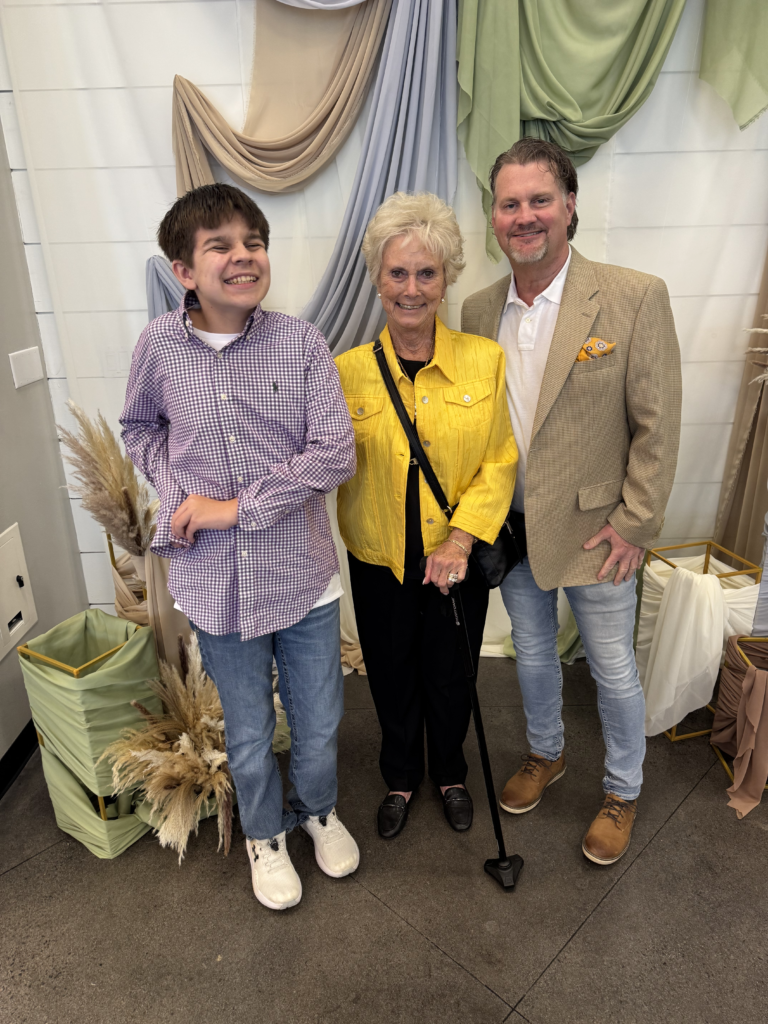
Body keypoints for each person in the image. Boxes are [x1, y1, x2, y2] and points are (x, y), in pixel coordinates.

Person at [120, 183, 359, 911]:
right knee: (250, 730)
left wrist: (231, 509)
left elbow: (335, 453)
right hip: (214, 582)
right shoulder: (158, 347)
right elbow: (139, 429)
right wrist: (177, 490)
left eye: (253, 242)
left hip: (302, 575)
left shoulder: (301, 341)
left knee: (319, 724)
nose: (243, 256)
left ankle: (317, 809)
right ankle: (264, 834)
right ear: (183, 270)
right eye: (220, 246)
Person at [462, 139, 682, 865]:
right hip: (514, 530)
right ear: (494, 216)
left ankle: (622, 790)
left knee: (611, 666)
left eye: (539, 200)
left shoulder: (633, 295)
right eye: (510, 203)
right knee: (531, 652)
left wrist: (635, 524)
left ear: (569, 205)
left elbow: (657, 424)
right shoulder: (478, 309)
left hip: (599, 532)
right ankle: (546, 752)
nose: (524, 216)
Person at [335, 191, 518, 840]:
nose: (411, 289)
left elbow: (499, 461)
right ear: (377, 279)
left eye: (426, 273)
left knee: (450, 675)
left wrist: (461, 541)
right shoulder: (345, 373)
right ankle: (400, 776)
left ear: (446, 279)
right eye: (398, 272)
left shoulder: (484, 361)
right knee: (390, 675)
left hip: (454, 556)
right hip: (377, 557)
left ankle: (450, 772)